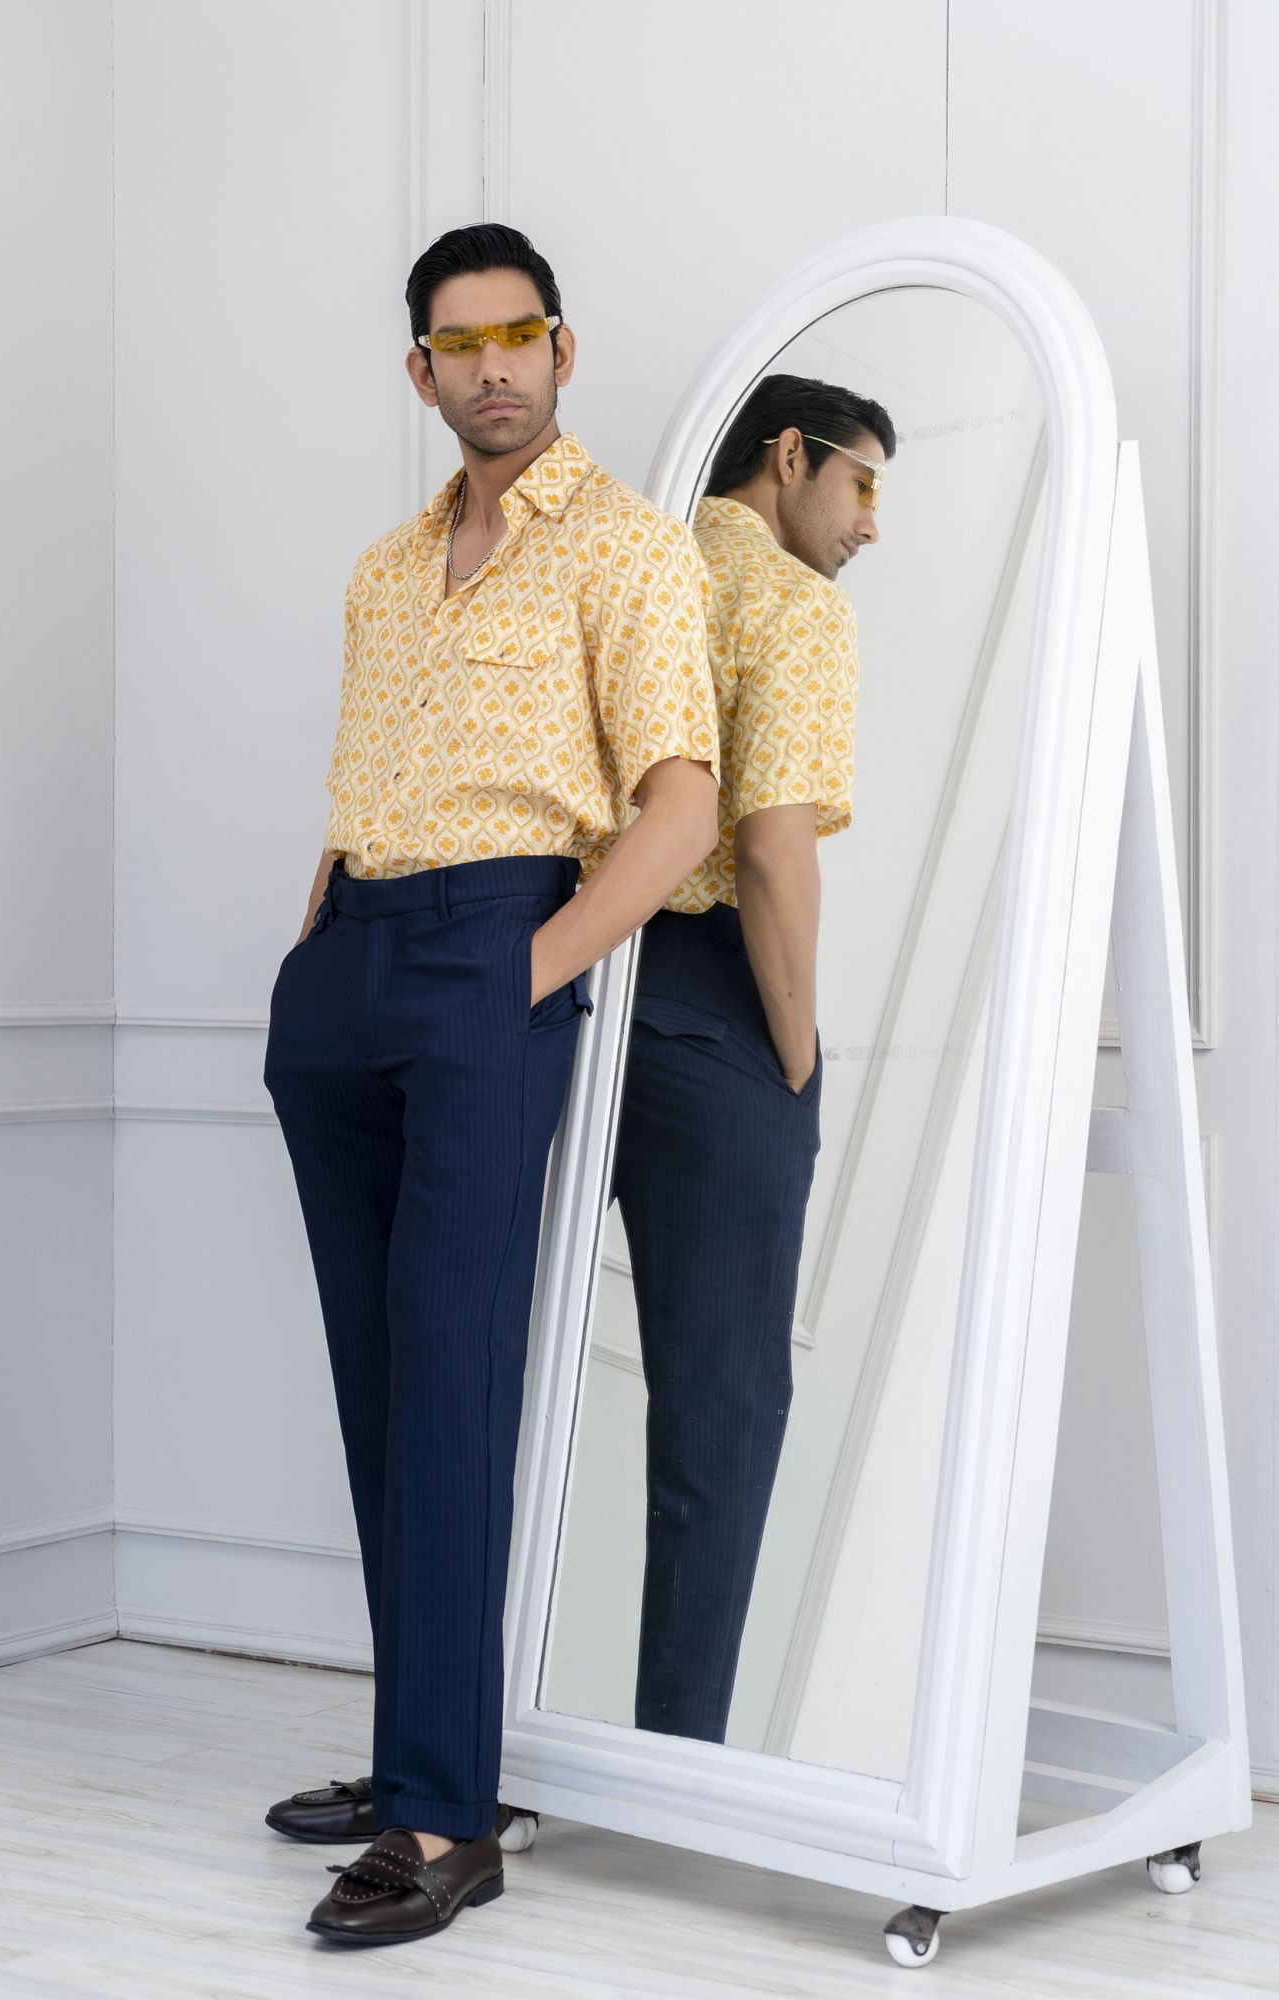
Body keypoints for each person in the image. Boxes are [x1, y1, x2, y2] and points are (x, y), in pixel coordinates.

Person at [261, 222, 722, 1948]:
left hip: (496, 946)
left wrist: (527, 970)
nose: (492, 366)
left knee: (453, 1382)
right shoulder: (388, 569)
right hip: (353, 956)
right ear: (421, 373)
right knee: (384, 1388)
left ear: (562, 348)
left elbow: (676, 802)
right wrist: (314, 957)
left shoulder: (625, 548)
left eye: (518, 334)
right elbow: (355, 785)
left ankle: (449, 1820)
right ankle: (411, 1759)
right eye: (459, 344)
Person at [607, 373, 893, 1741]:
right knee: (720, 1407)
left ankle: (459, 1752)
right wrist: (792, 1054)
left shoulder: (627, 568)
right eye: (861, 483)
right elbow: (770, 847)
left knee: (493, 1375)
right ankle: (677, 1755)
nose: (871, 525)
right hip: (710, 1004)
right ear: (786, 456)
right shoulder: (790, 606)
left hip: (561, 979)